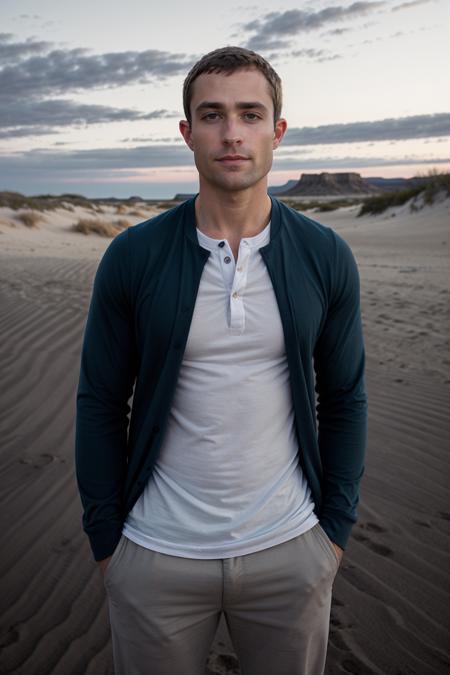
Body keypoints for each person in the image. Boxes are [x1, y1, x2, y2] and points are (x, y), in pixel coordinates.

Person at [75, 46, 367, 675]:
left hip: (291, 548)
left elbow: (344, 397)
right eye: (211, 115)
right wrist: (108, 544)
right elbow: (99, 401)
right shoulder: (133, 256)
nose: (231, 133)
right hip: (155, 554)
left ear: (277, 132)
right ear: (187, 133)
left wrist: (333, 533)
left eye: (249, 114)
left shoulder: (324, 256)